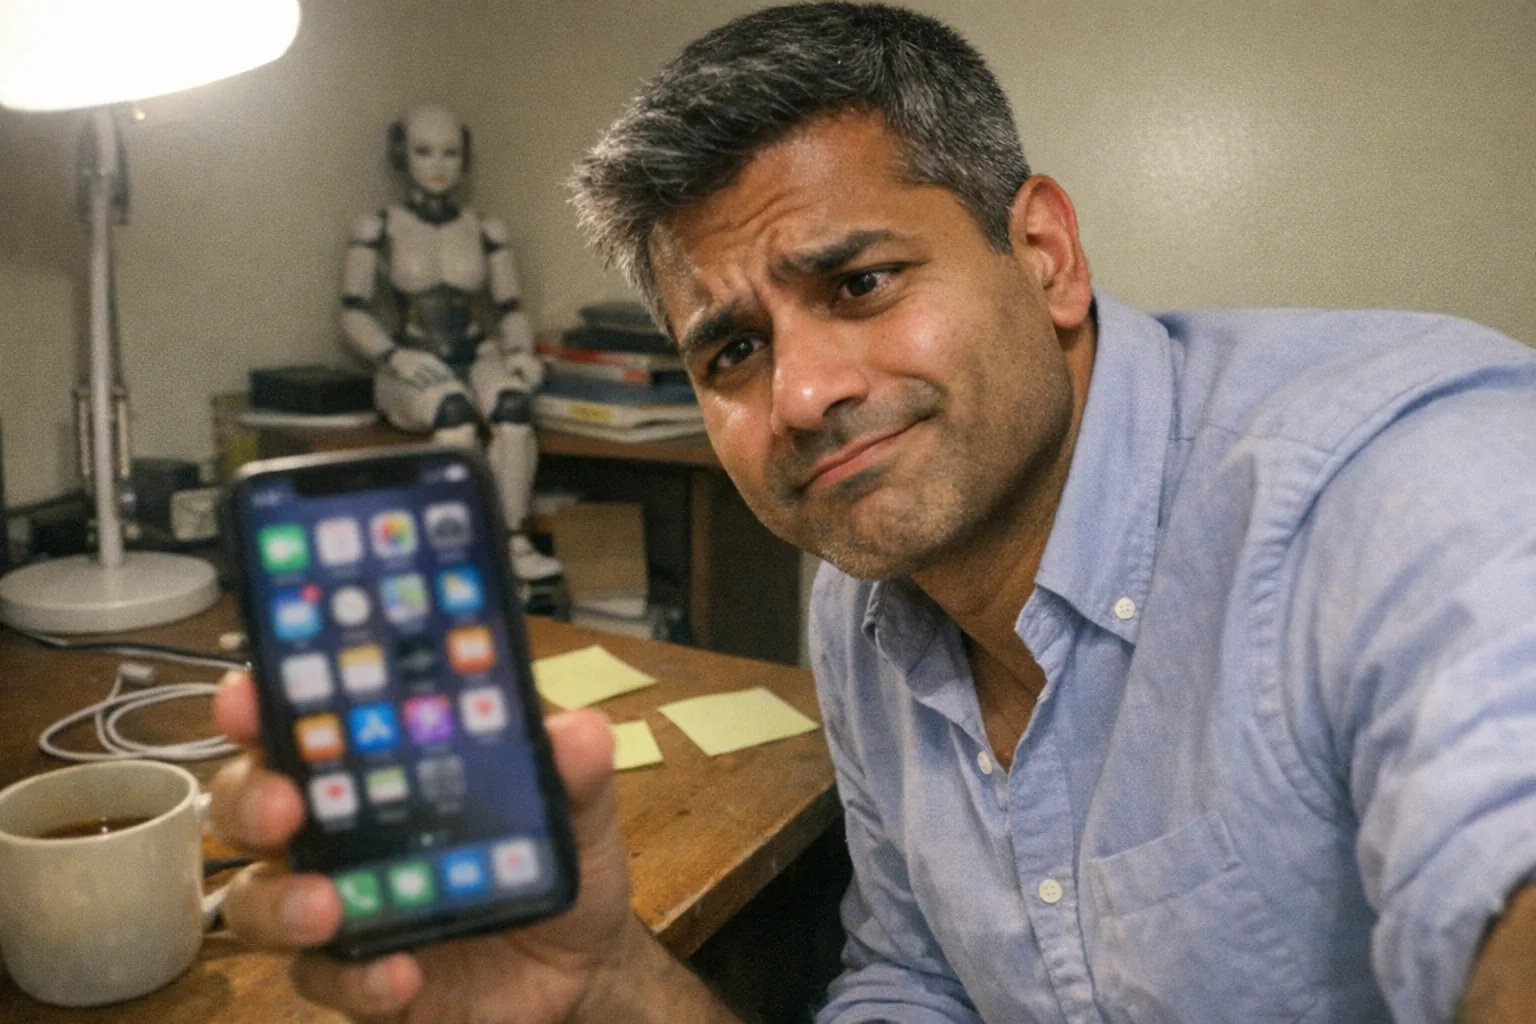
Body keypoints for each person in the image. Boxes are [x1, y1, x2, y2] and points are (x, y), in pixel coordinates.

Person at [214, 3, 1536, 1021]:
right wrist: (602, 979)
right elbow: (918, 984)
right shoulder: (863, 599)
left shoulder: (1403, 475)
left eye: (857, 282)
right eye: (731, 352)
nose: (798, 395)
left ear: (1046, 255)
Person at [340, 102, 561, 584]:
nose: (438, 165)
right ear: (403, 156)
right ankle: (457, 544)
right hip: (411, 354)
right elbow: (353, 310)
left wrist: (521, 353)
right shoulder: (378, 226)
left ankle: (513, 538)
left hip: (474, 348)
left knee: (513, 411)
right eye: (424, 152)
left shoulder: (483, 228)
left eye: (449, 153)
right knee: (455, 417)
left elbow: (508, 306)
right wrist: (392, 355)